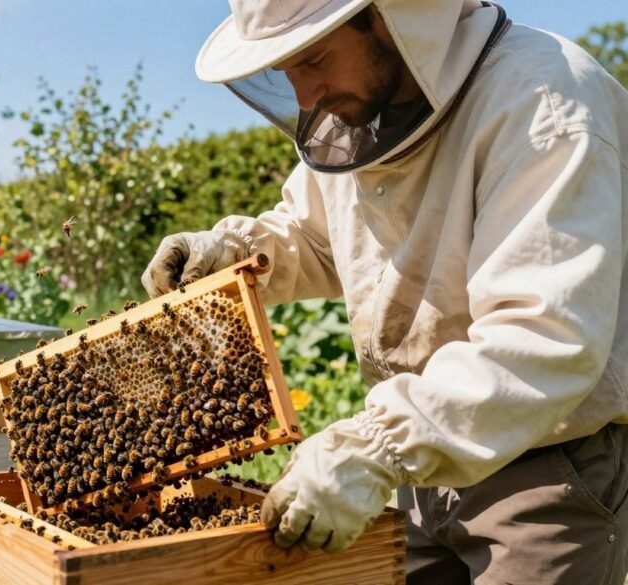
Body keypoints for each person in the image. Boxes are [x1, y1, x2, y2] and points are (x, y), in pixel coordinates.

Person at [142, 0, 628, 582]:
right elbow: (317, 236)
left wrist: (376, 447)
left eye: (314, 58)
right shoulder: (362, 112)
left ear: (391, 17)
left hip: (545, 471)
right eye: (286, 69)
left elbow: (541, 338)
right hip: (421, 469)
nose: (304, 95)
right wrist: (235, 255)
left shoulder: (543, 102)